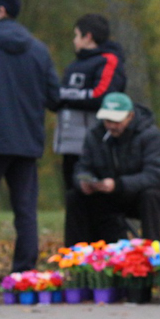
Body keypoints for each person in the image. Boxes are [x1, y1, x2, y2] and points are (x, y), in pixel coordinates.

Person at [0, 0, 60, 276]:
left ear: (0, 11)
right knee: (25, 209)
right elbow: (54, 97)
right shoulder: (38, 50)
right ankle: (25, 269)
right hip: (26, 141)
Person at [63, 92, 160, 245]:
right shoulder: (95, 135)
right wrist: (84, 182)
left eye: (116, 121)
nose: (111, 125)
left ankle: (152, 251)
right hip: (112, 195)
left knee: (150, 196)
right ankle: (79, 255)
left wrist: (118, 184)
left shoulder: (150, 135)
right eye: (107, 120)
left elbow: (156, 175)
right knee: (75, 197)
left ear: (130, 116)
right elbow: (83, 167)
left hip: (152, 196)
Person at [54, 13, 127, 192]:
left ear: (88, 37)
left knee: (92, 193)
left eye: (76, 35)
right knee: (72, 191)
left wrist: (65, 97)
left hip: (94, 142)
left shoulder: (109, 60)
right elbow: (59, 97)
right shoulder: (74, 65)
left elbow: (100, 96)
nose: (74, 40)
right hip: (69, 141)